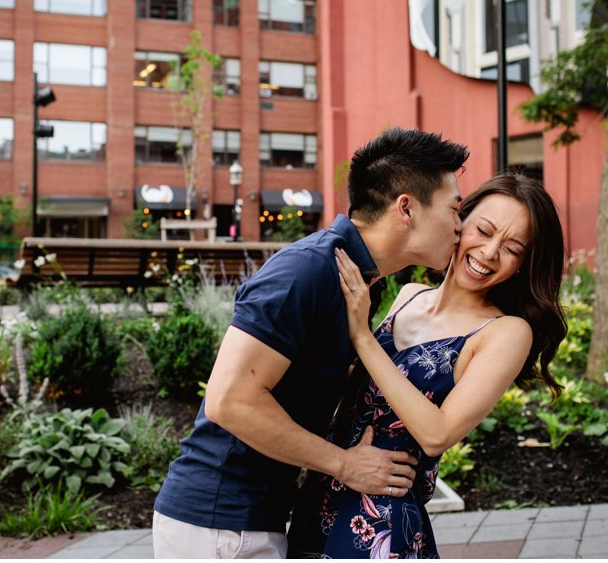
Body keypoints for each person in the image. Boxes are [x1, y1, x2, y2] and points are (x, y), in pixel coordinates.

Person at [152, 128, 470, 558]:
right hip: (219, 526)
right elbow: (230, 400)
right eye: (455, 209)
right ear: (407, 208)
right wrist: (345, 465)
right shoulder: (309, 270)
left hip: (254, 518)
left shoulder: (360, 282)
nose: (460, 226)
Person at [287, 173, 568, 558]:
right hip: (320, 496)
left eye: (512, 248)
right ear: (459, 221)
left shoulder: (506, 332)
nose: (488, 252)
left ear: (524, 264)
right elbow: (362, 388)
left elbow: (437, 433)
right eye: (483, 231)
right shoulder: (409, 295)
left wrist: (362, 336)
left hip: (381, 524)